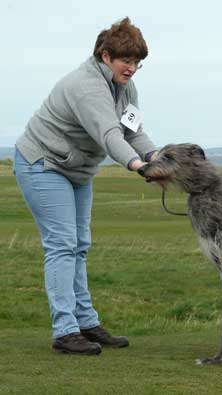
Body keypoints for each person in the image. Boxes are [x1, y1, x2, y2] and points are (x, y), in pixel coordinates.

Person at [13, 17, 157, 355]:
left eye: (137, 62)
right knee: (62, 244)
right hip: (43, 164)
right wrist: (139, 166)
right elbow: (110, 134)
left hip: (78, 170)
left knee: (80, 244)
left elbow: (133, 131)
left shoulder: (125, 86)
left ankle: (85, 323)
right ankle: (65, 331)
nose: (132, 68)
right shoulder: (86, 86)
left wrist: (157, 157)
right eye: (126, 60)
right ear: (105, 56)